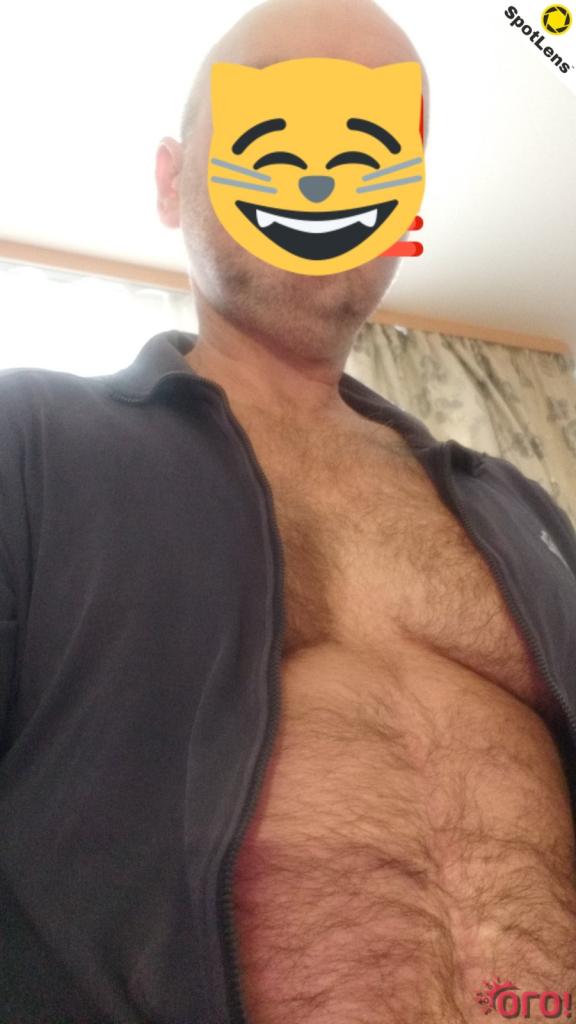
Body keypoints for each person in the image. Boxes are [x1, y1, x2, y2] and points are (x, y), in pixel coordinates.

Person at [1, 1, 575, 1022]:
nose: (318, 176)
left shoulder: (523, 511)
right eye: (272, 128)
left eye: (370, 144)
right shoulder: (28, 440)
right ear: (174, 180)